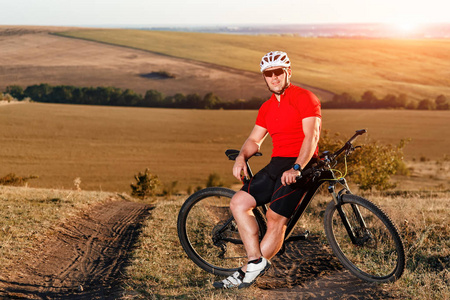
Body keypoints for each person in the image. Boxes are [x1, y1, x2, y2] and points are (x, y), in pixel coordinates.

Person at [213, 51, 322, 289]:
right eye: (268, 74)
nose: (273, 77)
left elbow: (311, 136)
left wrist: (297, 167)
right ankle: (255, 262)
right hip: (276, 164)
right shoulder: (267, 107)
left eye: (278, 72)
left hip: (301, 164)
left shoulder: (304, 97)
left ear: (288, 73)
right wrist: (241, 156)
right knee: (239, 202)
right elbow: (255, 140)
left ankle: (246, 271)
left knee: (274, 218)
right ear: (264, 77)